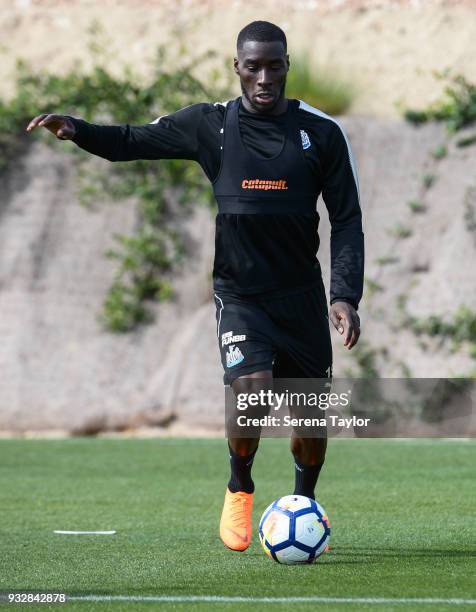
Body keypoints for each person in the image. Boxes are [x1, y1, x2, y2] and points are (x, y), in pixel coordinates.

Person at [26, 20, 364, 553]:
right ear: (237, 68)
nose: (264, 77)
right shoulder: (213, 126)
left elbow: (346, 218)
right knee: (249, 393)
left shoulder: (320, 132)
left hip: (300, 297)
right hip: (241, 295)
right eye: (253, 66)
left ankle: (304, 502)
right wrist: (80, 129)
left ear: (287, 66)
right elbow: (132, 141)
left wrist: (344, 295)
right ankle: (240, 485)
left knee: (308, 424)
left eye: (274, 65)